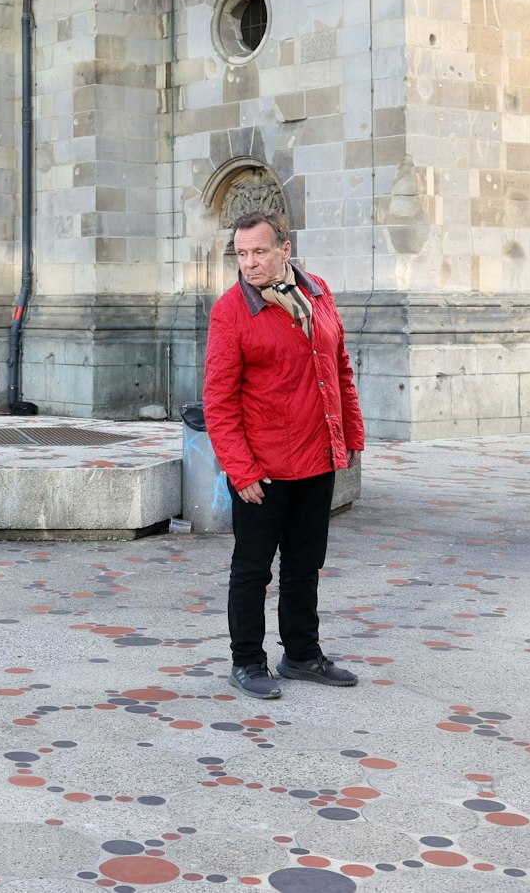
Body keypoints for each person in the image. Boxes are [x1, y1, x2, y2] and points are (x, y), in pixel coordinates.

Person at [202, 210, 365, 700]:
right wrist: (240, 468)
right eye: (242, 254)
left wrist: (351, 434)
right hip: (263, 468)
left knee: (304, 563)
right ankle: (247, 662)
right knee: (253, 568)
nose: (249, 263)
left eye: (259, 252)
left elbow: (339, 368)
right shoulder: (231, 311)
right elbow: (219, 398)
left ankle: (301, 655)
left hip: (316, 456)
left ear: (284, 250)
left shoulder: (316, 292)